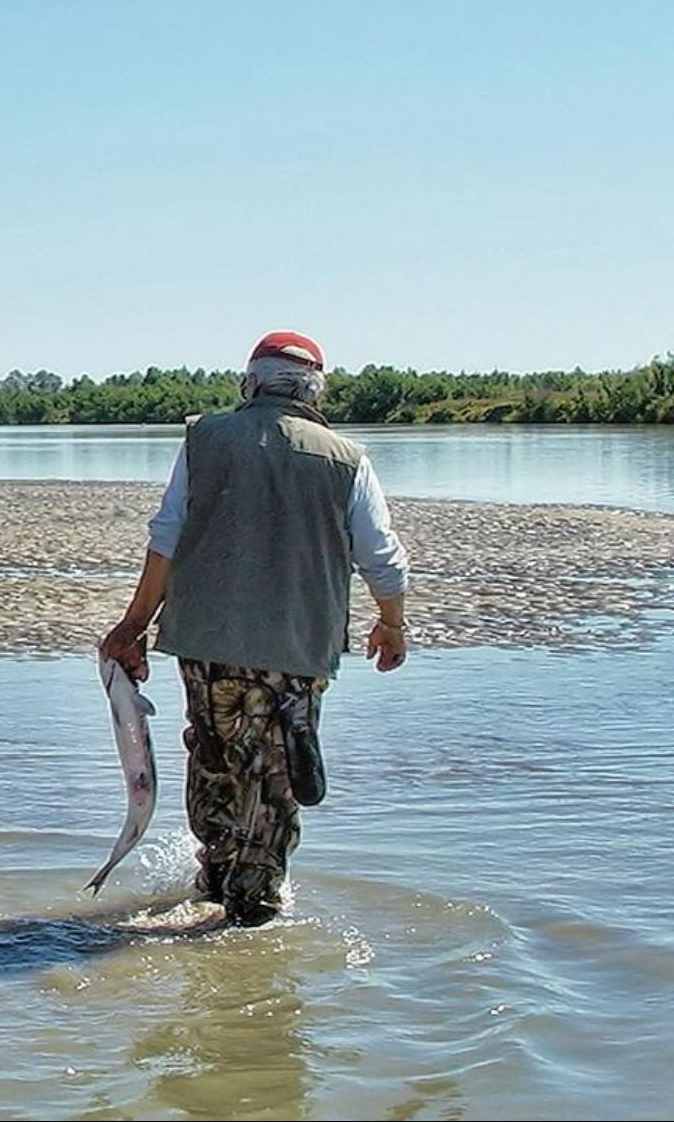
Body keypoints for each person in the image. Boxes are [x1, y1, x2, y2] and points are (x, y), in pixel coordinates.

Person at [99, 330, 410, 926]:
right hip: (298, 650)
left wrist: (132, 627)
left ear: (250, 384)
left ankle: (217, 882)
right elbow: (382, 558)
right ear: (317, 391)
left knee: (215, 755)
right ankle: (255, 909)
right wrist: (391, 624)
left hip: (208, 642)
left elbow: (166, 538)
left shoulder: (205, 439)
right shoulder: (347, 459)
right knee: (276, 776)